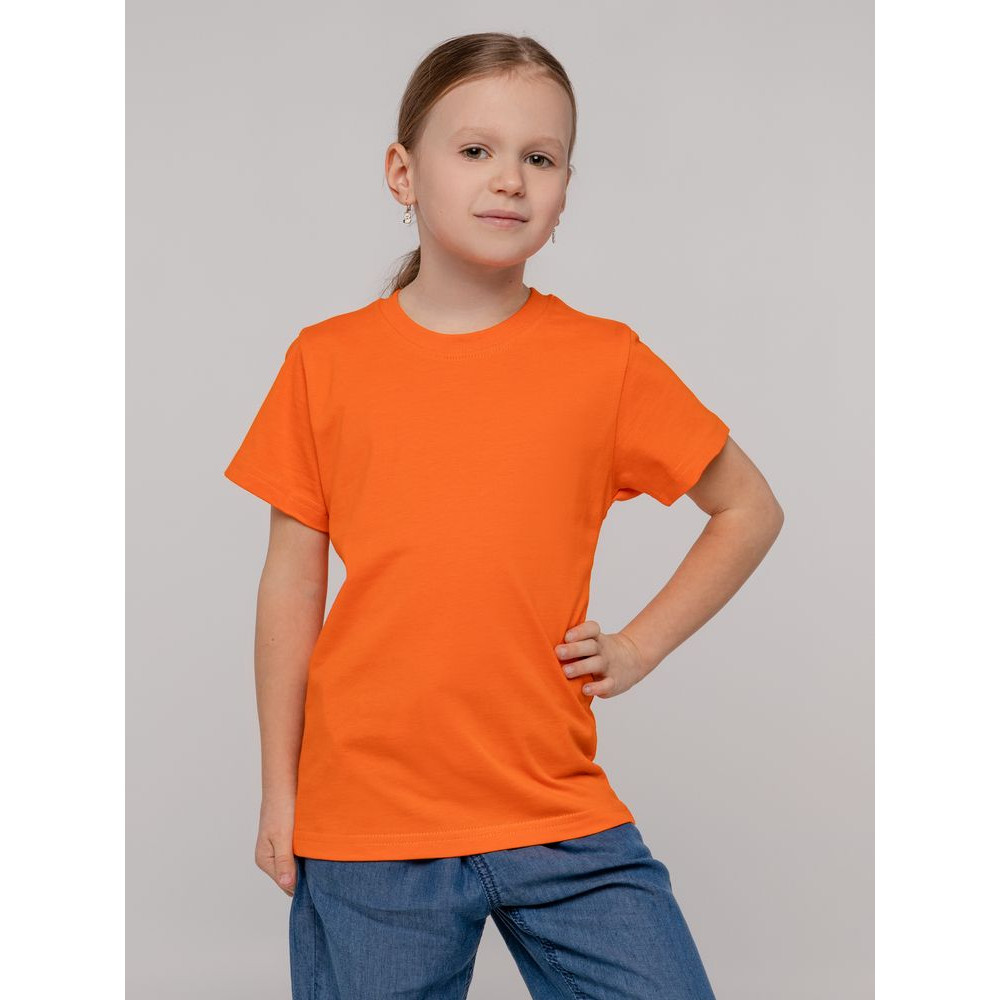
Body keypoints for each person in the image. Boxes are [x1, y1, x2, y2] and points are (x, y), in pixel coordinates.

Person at [224, 30, 783, 1000]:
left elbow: (748, 508)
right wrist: (281, 790)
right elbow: (291, 586)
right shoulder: (325, 362)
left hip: (554, 811)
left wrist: (639, 647)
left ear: (565, 189)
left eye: (541, 157)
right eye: (476, 149)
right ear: (403, 172)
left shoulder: (604, 362)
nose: (510, 179)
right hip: (368, 820)